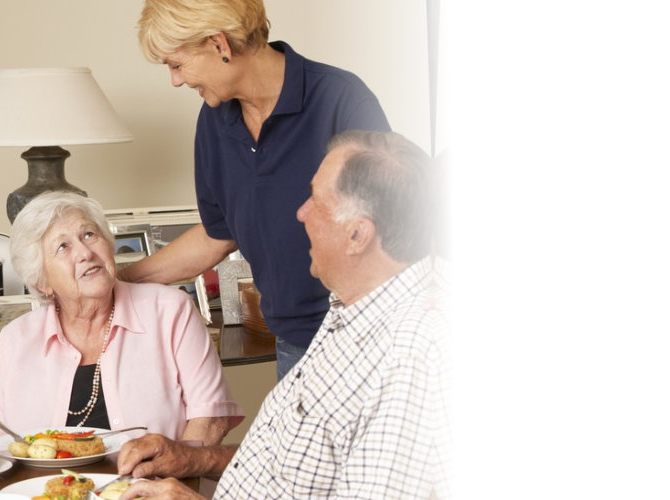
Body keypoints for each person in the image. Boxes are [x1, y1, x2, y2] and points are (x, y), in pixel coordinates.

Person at [114, 130, 445, 500]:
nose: (300, 213)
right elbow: (294, 467)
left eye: (316, 200)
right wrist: (195, 459)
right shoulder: (353, 309)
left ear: (357, 235)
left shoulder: (418, 354)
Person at [122, 0, 393, 380]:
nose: (176, 80)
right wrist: (120, 280)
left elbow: (390, 233)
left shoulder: (341, 99)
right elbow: (218, 236)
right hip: (292, 343)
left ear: (219, 45)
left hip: (365, 341)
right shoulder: (215, 121)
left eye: (177, 64)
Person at [0, 193, 243, 443]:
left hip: (154, 485)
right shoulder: (15, 340)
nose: (85, 253)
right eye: (63, 247)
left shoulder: (171, 312)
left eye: (90, 235)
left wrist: (171, 480)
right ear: (42, 281)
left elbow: (210, 421)